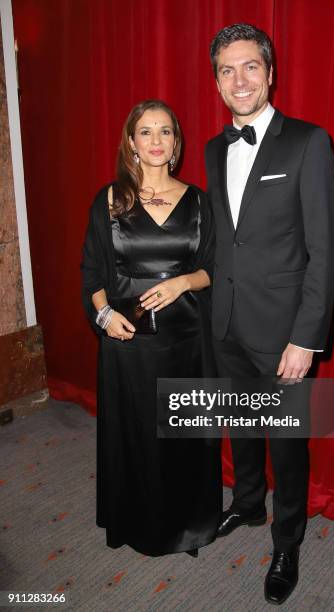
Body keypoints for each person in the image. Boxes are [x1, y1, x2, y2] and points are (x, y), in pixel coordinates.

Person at [205, 24, 334, 604]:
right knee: (243, 426)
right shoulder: (213, 149)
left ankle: (287, 540)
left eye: (250, 67)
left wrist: (306, 338)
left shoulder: (309, 142)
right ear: (216, 81)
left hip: (284, 329)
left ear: (270, 73)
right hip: (226, 322)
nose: (240, 80)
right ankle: (249, 504)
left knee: (287, 441)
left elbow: (325, 250)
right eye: (227, 70)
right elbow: (221, 241)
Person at [81, 99, 221, 557]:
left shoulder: (199, 199)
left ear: (176, 143)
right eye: (146, 132)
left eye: (165, 132)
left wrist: (182, 281)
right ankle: (136, 521)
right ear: (131, 143)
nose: (156, 140)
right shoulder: (109, 198)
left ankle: (187, 526)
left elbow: (211, 270)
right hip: (129, 339)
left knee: (181, 431)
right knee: (137, 432)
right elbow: (92, 273)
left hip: (186, 338)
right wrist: (104, 317)